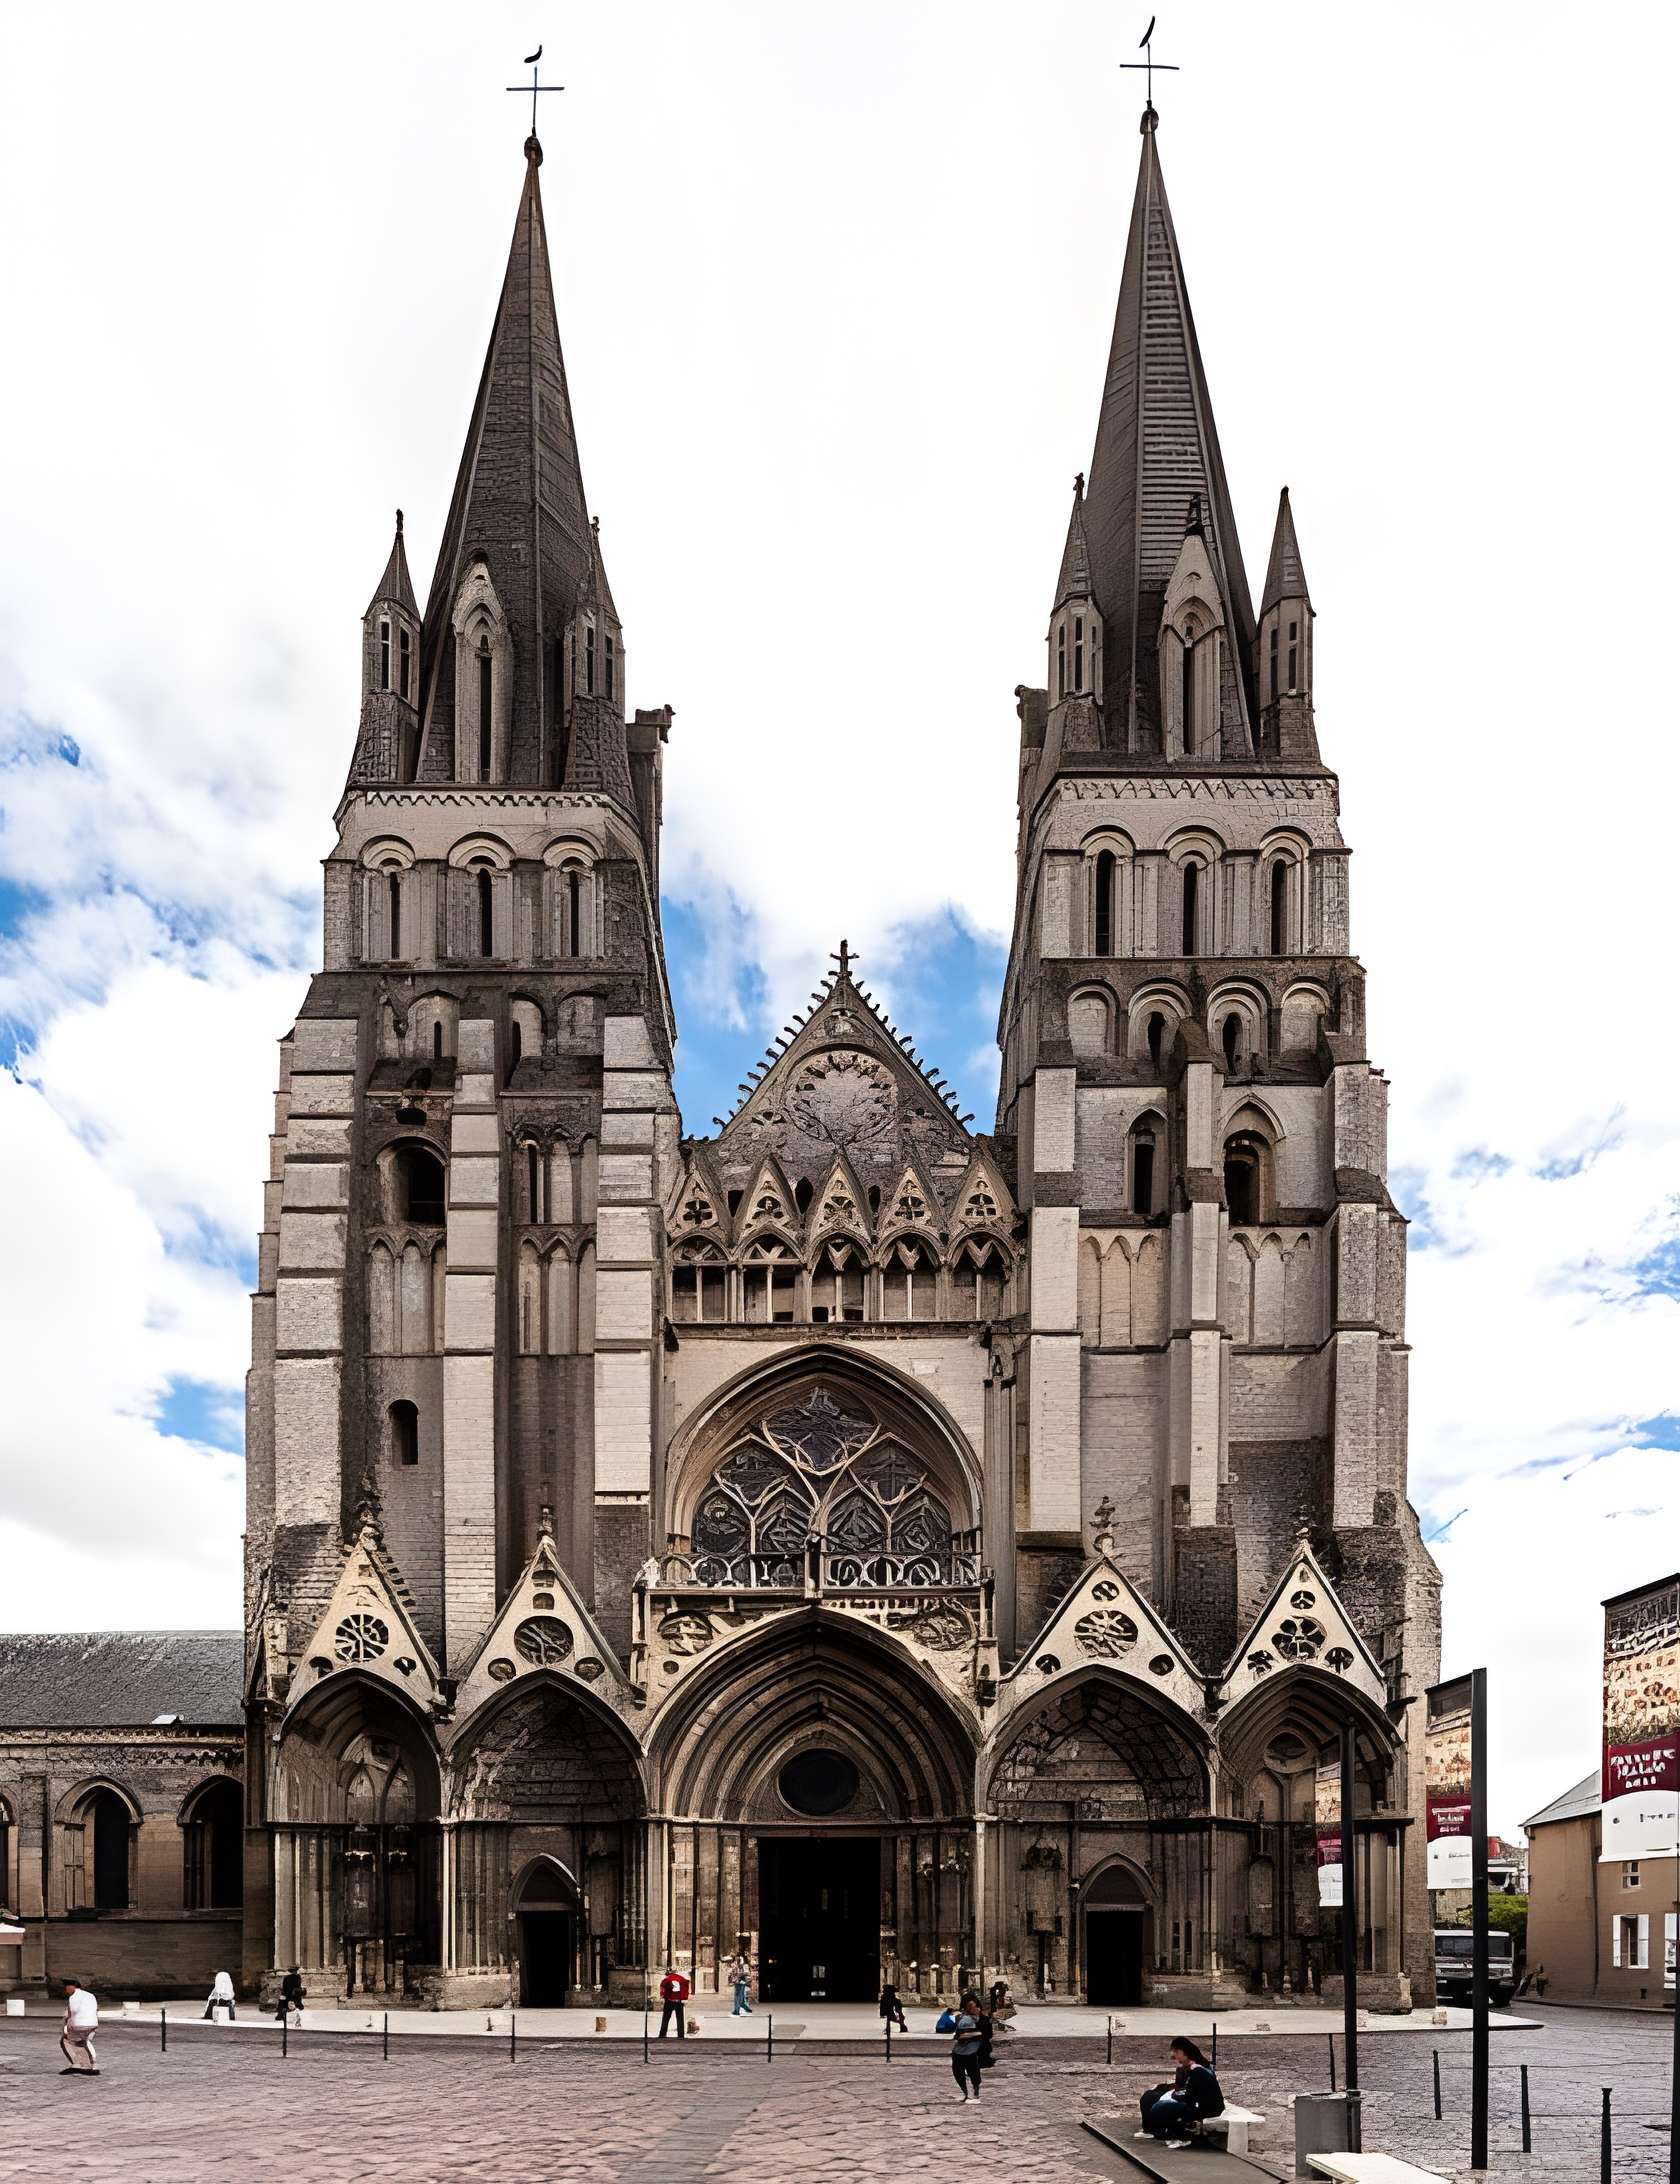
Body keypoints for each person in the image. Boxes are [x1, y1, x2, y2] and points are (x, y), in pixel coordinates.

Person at [1136, 2035, 1224, 2149]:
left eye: (1177, 2052)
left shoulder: (1198, 2070)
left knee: (1161, 2106)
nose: (1175, 2056)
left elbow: (1191, 2095)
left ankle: (1179, 2136)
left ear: (1186, 2054)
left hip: (1202, 2105)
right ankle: (1150, 2129)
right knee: (1149, 2096)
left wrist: (1174, 2096)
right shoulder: (1188, 2067)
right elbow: (1182, 2086)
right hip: (1188, 2096)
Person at [949, 1990, 985, 2102]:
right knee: (958, 2073)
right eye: (970, 2006)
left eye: (974, 2006)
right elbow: (959, 2036)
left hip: (972, 2051)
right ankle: (966, 2093)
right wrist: (978, 2034)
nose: (973, 2008)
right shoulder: (962, 2018)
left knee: (974, 2073)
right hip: (959, 2051)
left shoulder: (980, 2019)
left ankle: (975, 2093)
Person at [59, 1977, 99, 2077]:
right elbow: (96, 2009)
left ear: (72, 1987)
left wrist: (66, 2026)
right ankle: (90, 2063)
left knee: (66, 2041)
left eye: (67, 1987)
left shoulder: (73, 1997)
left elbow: (72, 2013)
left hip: (79, 2025)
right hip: (93, 2024)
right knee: (84, 2042)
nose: (66, 1990)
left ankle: (81, 2065)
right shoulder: (90, 1995)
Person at [657, 1965, 690, 2039]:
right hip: (678, 2001)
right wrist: (685, 1998)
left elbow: (662, 1987)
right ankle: (681, 2035)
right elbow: (685, 1988)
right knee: (680, 2019)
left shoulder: (667, 1979)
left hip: (669, 2000)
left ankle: (662, 2034)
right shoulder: (681, 1979)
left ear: (670, 1971)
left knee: (665, 2018)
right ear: (676, 1972)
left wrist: (662, 1995)